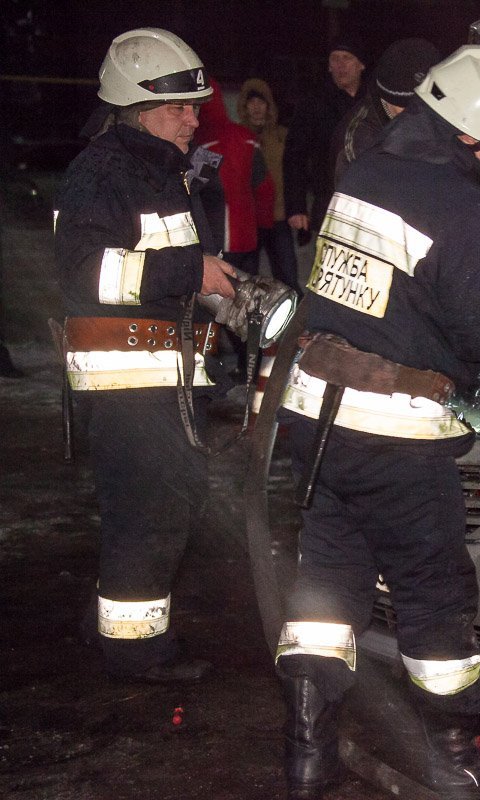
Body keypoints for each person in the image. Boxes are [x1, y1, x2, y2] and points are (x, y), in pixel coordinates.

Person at [272, 45, 480, 799]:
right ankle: (462, 761)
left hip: (316, 419)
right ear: (474, 128)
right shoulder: (461, 206)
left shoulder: (370, 168)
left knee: (326, 590)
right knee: (435, 595)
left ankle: (307, 756)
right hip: (396, 434)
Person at [53, 28, 239, 683]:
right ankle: (136, 651)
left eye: (195, 106)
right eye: (180, 109)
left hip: (162, 375)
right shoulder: (102, 173)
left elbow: (173, 277)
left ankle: (104, 622)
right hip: (123, 378)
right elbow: (83, 273)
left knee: (167, 499)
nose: (194, 118)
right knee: (152, 507)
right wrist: (189, 271)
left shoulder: (159, 171)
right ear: (137, 110)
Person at [283, 35, 367, 245]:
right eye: (335, 59)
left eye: (346, 58)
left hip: (368, 202)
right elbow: (295, 156)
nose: (340, 65)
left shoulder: (373, 102)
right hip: (329, 201)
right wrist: (296, 207)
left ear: (361, 65)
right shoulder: (314, 103)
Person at [194, 77, 275, 273]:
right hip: (248, 238)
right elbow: (264, 187)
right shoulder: (245, 136)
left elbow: (195, 190)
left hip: (219, 239)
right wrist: (263, 225)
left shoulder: (205, 143)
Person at [332, 37, 441, 183]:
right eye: (407, 106)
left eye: (425, 104)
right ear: (387, 100)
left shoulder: (441, 103)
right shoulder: (359, 139)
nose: (417, 113)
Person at [239, 77, 301, 291]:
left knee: (288, 279)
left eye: (261, 102)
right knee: (247, 282)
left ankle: (294, 321)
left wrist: (297, 209)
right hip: (248, 222)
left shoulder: (282, 136)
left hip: (278, 219)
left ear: (269, 106)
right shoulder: (238, 137)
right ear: (244, 106)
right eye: (251, 102)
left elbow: (295, 175)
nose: (256, 108)